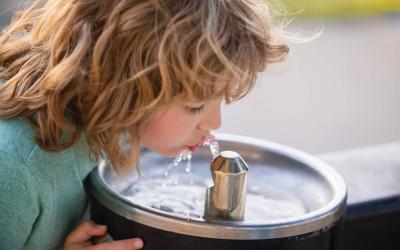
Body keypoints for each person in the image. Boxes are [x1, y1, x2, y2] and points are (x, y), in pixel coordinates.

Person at [0, 0, 289, 249]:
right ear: (124, 85)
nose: (214, 122)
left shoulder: (109, 120)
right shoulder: (14, 170)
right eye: (195, 106)